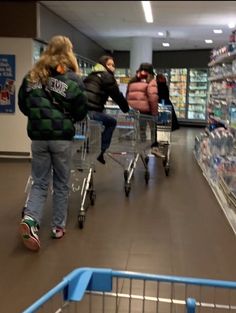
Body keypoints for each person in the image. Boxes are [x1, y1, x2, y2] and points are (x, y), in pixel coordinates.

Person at [18, 35, 88, 251]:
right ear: (68, 53)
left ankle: (30, 220)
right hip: (61, 140)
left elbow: (23, 104)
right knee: (61, 183)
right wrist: (67, 118)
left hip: (38, 139)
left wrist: (39, 120)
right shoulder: (72, 79)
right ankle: (58, 227)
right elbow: (81, 110)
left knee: (39, 181)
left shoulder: (31, 77)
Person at [83, 55, 129, 164]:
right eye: (109, 64)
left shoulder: (90, 75)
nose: (112, 67)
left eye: (113, 65)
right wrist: (126, 109)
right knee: (111, 122)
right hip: (93, 111)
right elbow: (117, 95)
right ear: (103, 65)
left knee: (94, 127)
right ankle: (101, 150)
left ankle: (86, 150)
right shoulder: (107, 76)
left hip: (83, 111)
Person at [126, 63, 164, 158]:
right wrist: (155, 113)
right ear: (151, 72)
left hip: (135, 111)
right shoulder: (151, 81)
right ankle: (154, 148)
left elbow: (127, 95)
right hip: (147, 111)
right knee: (154, 129)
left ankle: (142, 147)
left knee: (141, 129)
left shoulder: (132, 81)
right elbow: (153, 98)